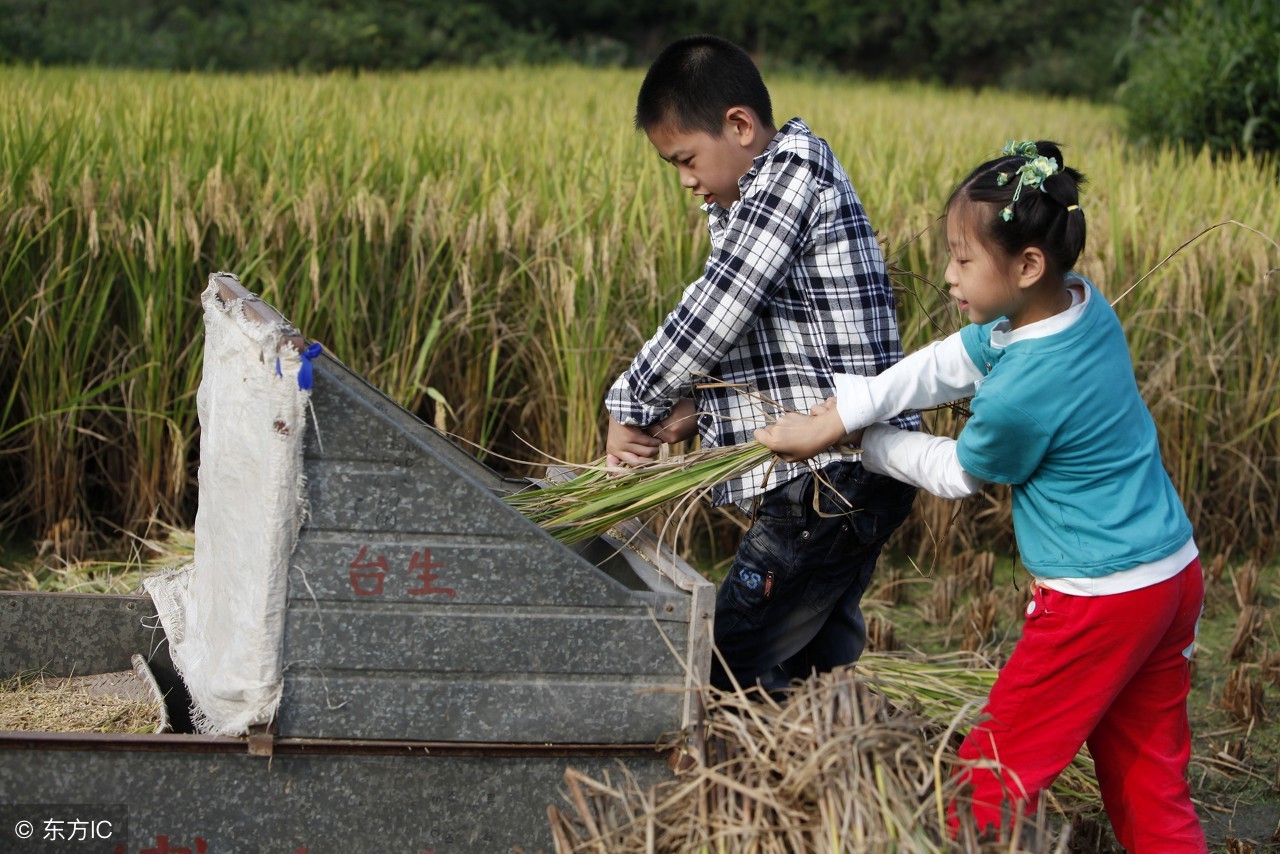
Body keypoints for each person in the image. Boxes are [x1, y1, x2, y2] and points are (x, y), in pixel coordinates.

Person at [756, 140, 1206, 851]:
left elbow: (958, 472)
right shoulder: (1079, 307)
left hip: (1098, 601)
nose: (947, 274)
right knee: (1149, 784)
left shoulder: (1022, 393)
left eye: (963, 260)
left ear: (1026, 266)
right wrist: (845, 412)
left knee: (988, 779)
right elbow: (950, 360)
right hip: (1170, 576)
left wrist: (859, 443)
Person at [604, 34, 918, 696]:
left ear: (740, 126)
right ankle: (823, 741)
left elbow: (720, 306)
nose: (685, 180)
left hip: (831, 478)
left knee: (723, 657)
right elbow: (773, 341)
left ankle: (733, 746)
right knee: (810, 660)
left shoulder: (789, 179)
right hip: (844, 472)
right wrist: (697, 410)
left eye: (686, 159)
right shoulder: (752, 195)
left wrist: (631, 404)